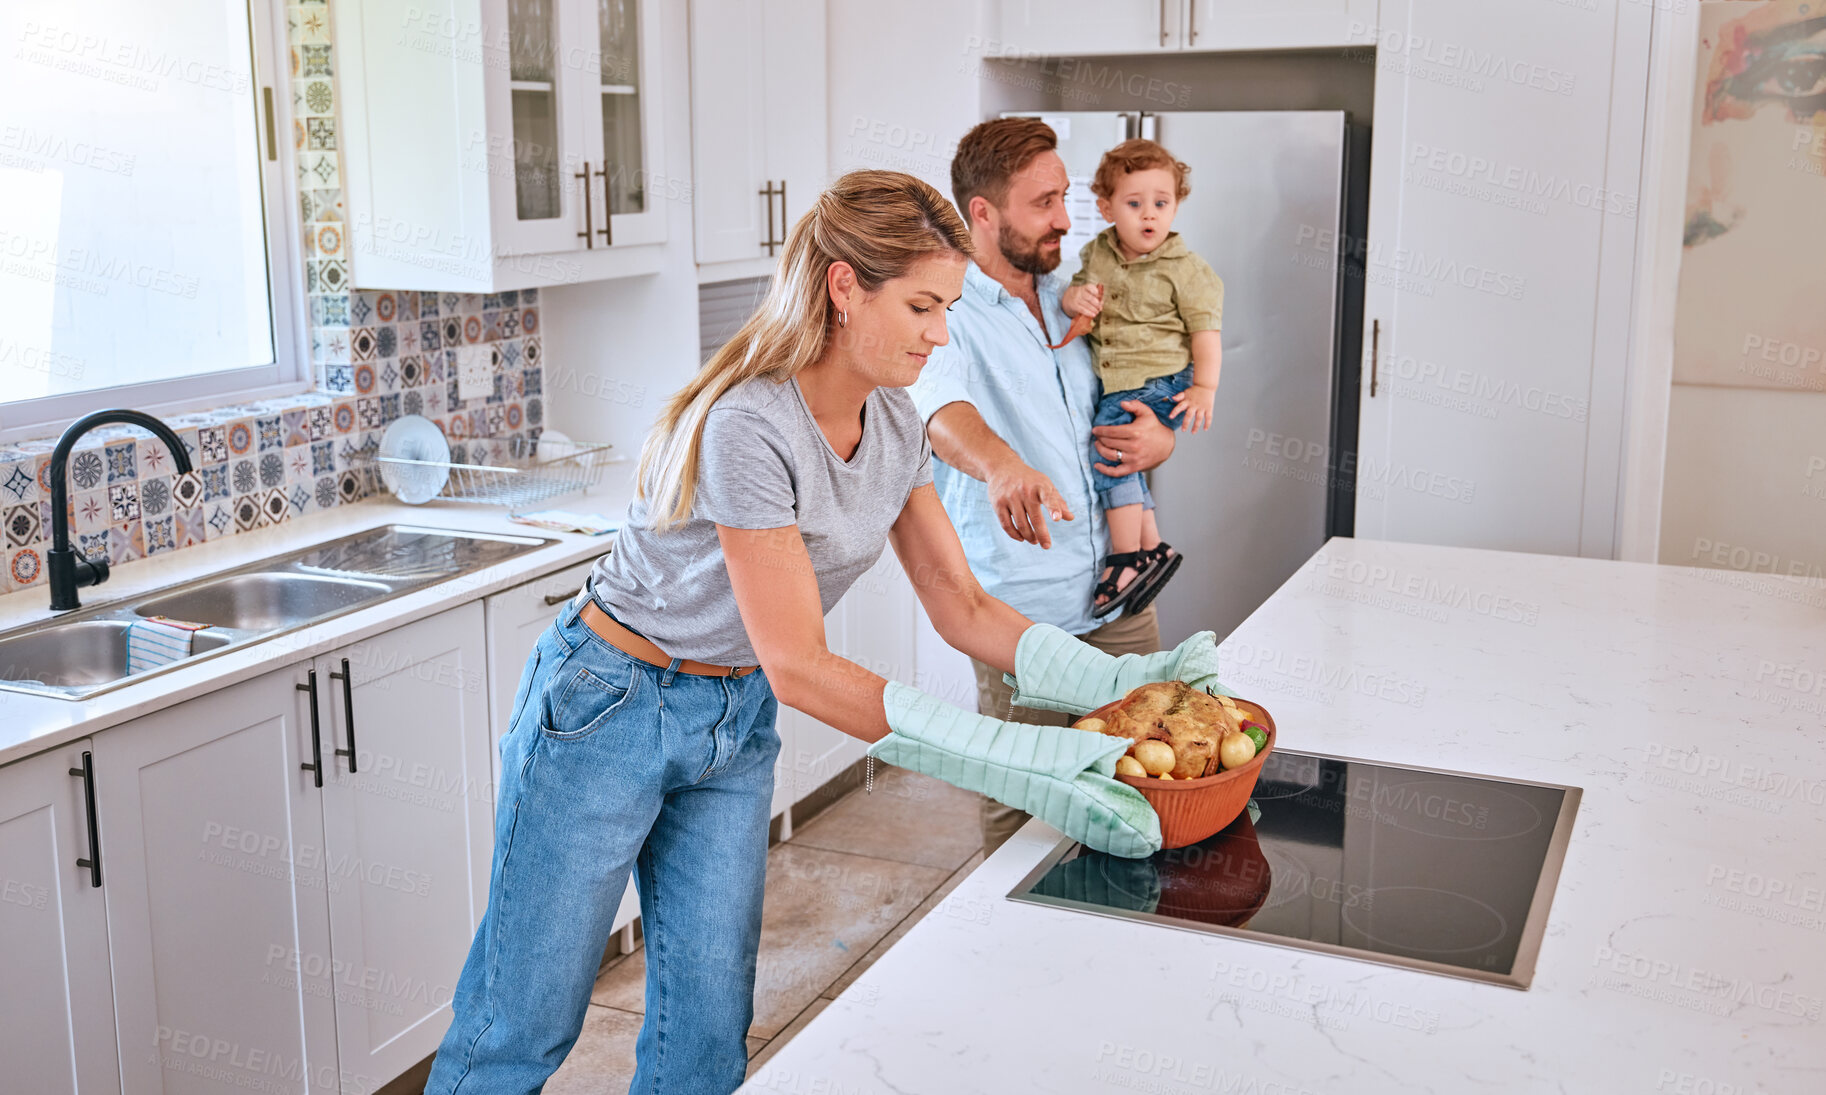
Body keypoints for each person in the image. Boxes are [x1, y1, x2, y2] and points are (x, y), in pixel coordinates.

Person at [424, 170, 1222, 1095]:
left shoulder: (895, 421)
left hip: (732, 717)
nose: (940, 332)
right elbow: (799, 662)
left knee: (708, 1030)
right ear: (846, 288)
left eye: (947, 306)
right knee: (520, 1024)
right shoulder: (748, 425)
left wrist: (1121, 686)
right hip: (606, 705)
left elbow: (960, 605)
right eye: (922, 305)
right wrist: (1006, 755)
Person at [906, 118, 1184, 854]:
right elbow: (940, 412)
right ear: (984, 215)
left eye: (1064, 197)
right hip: (1017, 614)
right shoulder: (948, 312)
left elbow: (1135, 387)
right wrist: (1000, 464)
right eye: (1044, 202)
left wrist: (1161, 434)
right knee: (1026, 808)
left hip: (1120, 595)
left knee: (1145, 779)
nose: (1066, 217)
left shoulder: (1078, 294)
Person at [1061, 138, 1224, 617]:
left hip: (1157, 380)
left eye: (1161, 203)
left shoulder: (1187, 270)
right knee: (1122, 456)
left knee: (1110, 454)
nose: (1149, 215)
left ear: (1176, 204)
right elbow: (1075, 289)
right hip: (1121, 379)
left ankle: (1126, 557)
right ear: (1106, 207)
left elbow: (1206, 335)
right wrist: (1075, 302)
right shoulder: (1098, 252)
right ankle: (1152, 547)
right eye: (1134, 204)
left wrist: (1204, 389)